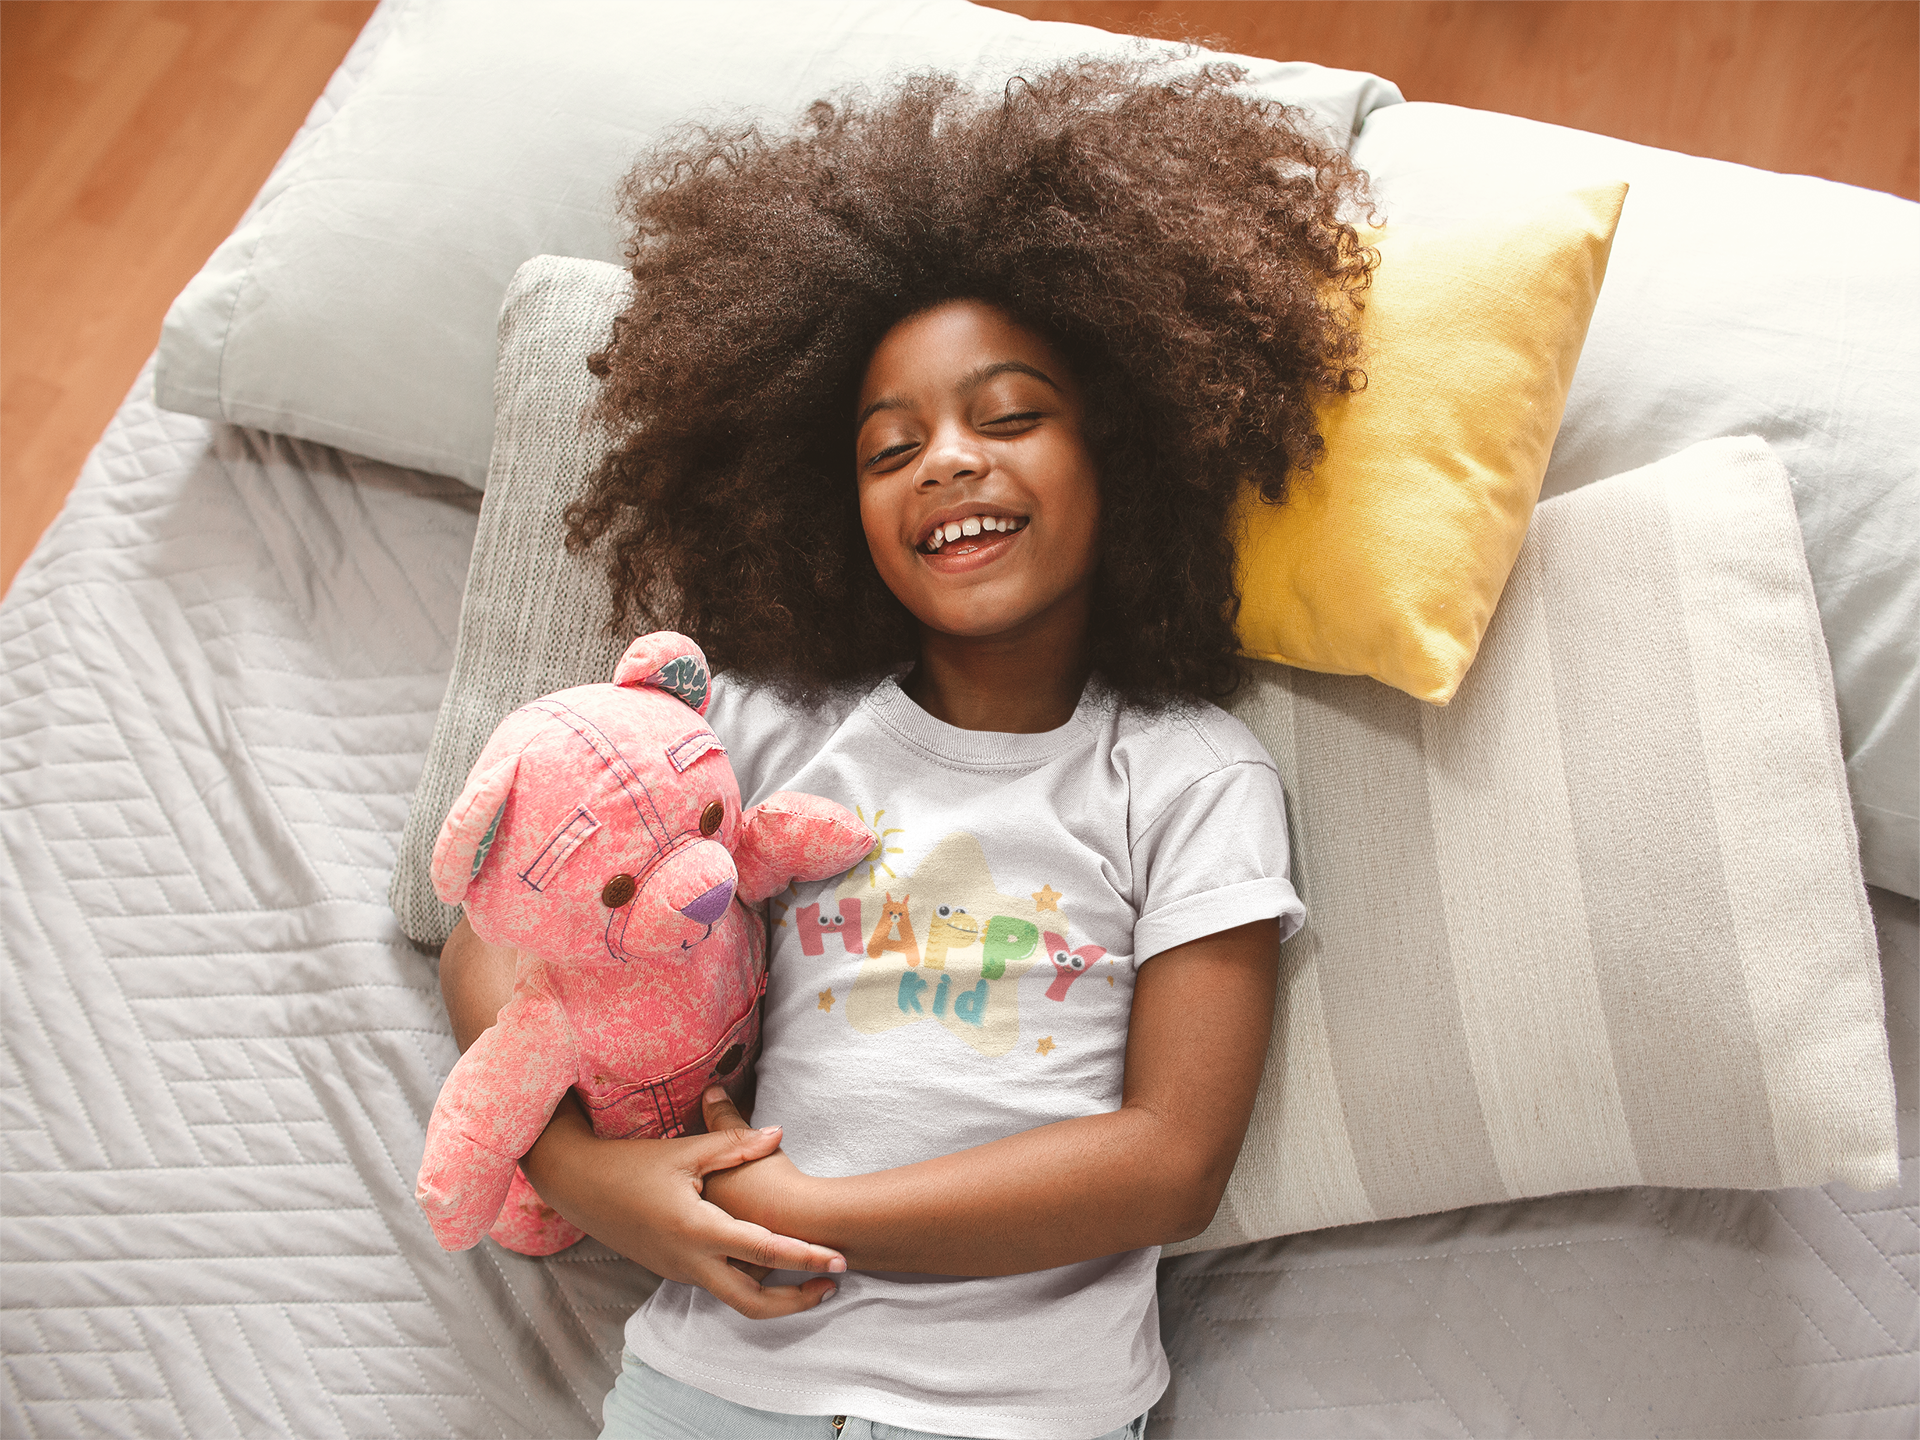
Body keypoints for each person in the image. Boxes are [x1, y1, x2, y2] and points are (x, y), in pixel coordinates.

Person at [437, 54, 1373, 1440]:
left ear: (1128, 451)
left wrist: (822, 1218)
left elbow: (1170, 1160)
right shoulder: (756, 729)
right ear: (835, 511)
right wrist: (591, 1183)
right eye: (891, 447)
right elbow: (502, 938)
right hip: (714, 1383)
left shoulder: (1187, 776)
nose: (948, 460)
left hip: (1019, 1412)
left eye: (1009, 418)